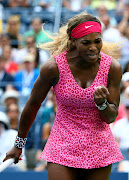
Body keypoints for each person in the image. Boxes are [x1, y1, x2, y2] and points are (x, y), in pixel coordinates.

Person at [4, 12, 124, 180]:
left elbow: (110, 116)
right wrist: (19, 144)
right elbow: (33, 105)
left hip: (100, 147)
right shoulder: (53, 67)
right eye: (86, 42)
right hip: (62, 145)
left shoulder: (113, 68)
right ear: (74, 42)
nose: (93, 47)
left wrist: (102, 103)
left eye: (97, 41)